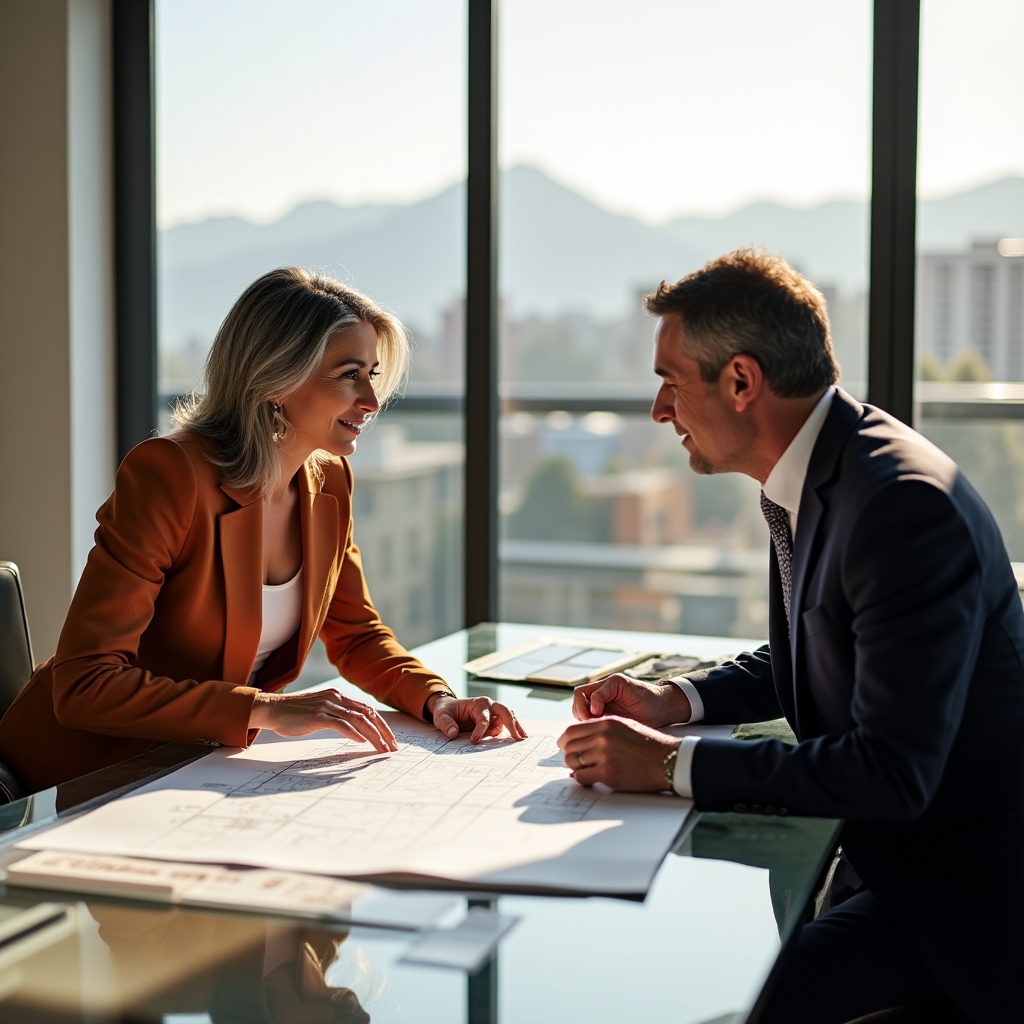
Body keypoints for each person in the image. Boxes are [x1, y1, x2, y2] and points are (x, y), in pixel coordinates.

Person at [557, 250, 1024, 1022]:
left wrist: (670, 765)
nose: (659, 410)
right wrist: (675, 700)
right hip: (888, 861)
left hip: (957, 904)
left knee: (706, 1000)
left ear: (741, 382)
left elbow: (890, 772)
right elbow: (822, 647)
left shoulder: (898, 507)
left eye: (671, 381)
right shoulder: (838, 465)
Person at [0, 267, 524, 794]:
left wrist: (438, 700)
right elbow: (85, 684)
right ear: (277, 379)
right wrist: (264, 709)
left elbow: (357, 634)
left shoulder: (329, 479)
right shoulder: (170, 474)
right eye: (348, 374)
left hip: (200, 771)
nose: (371, 399)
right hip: (72, 780)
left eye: (373, 373)